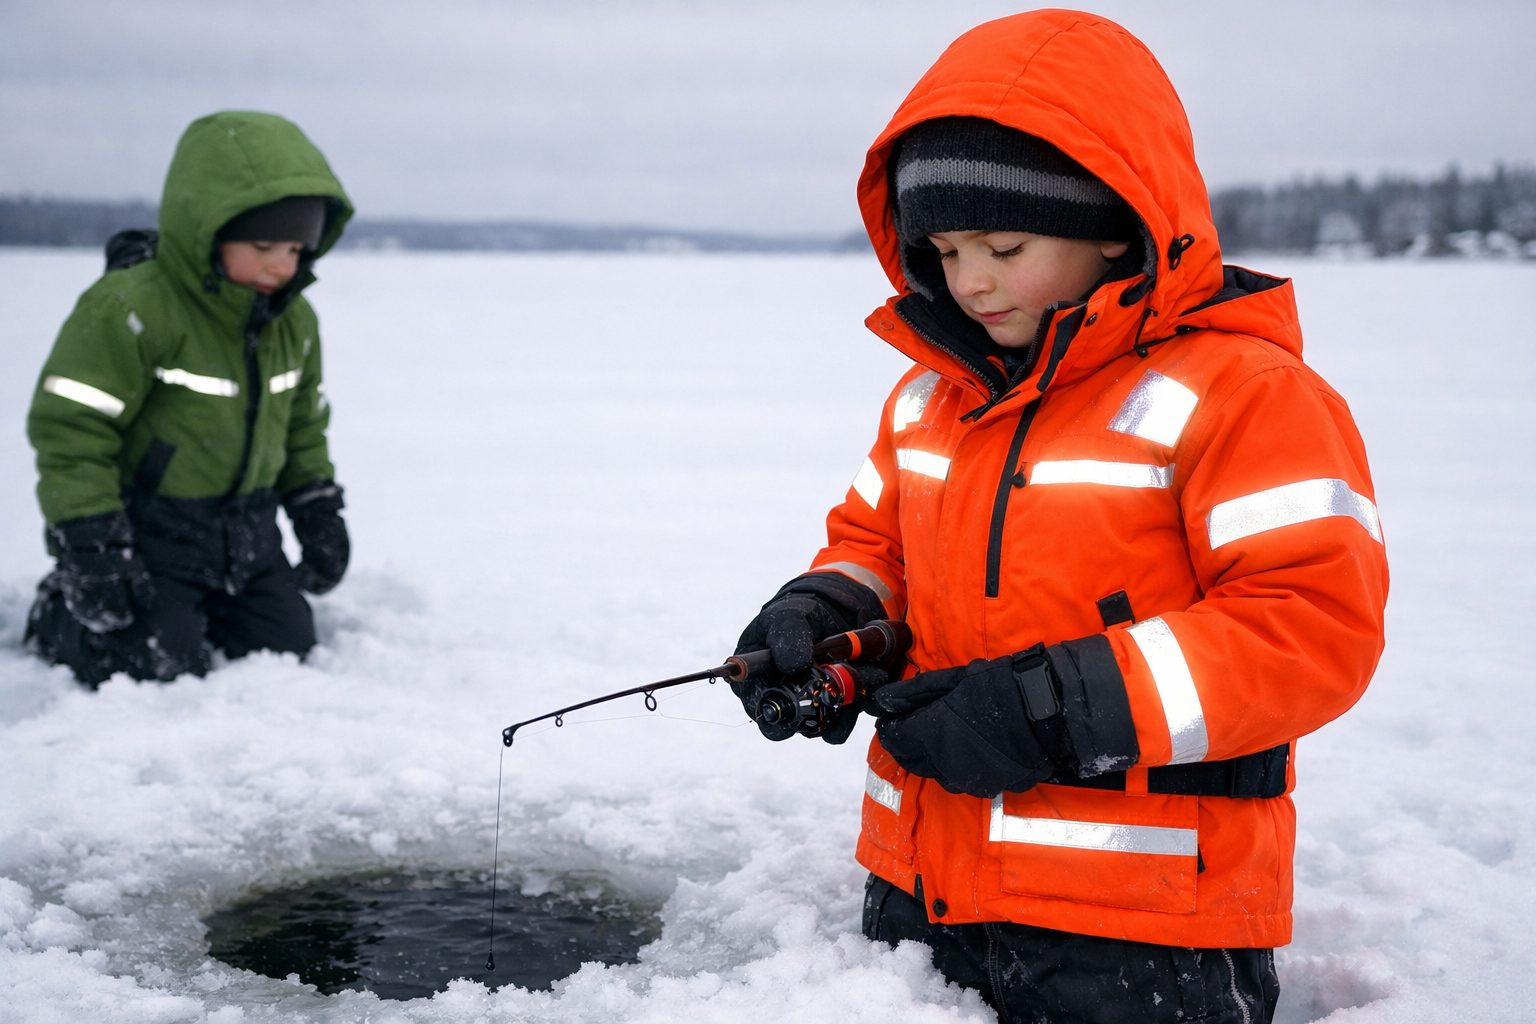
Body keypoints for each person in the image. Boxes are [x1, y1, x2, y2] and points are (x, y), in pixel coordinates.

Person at [731, 12, 1388, 1023]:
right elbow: (875, 545)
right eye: (944, 250)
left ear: (1116, 224)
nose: (970, 281)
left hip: (1143, 926)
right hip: (918, 887)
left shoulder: (1247, 394)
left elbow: (1307, 626)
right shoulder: (933, 397)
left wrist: (1048, 706)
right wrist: (822, 609)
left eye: (1005, 244)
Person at [25, 111, 354, 687]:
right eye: (263, 245)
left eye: (297, 249)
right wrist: (91, 541)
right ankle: (59, 613)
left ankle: (210, 608)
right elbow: (70, 430)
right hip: (151, 531)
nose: (283, 265)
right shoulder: (131, 308)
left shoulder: (293, 321)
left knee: (289, 648)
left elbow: (302, 425)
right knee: (159, 664)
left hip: (249, 532)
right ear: (208, 231)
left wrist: (316, 507)